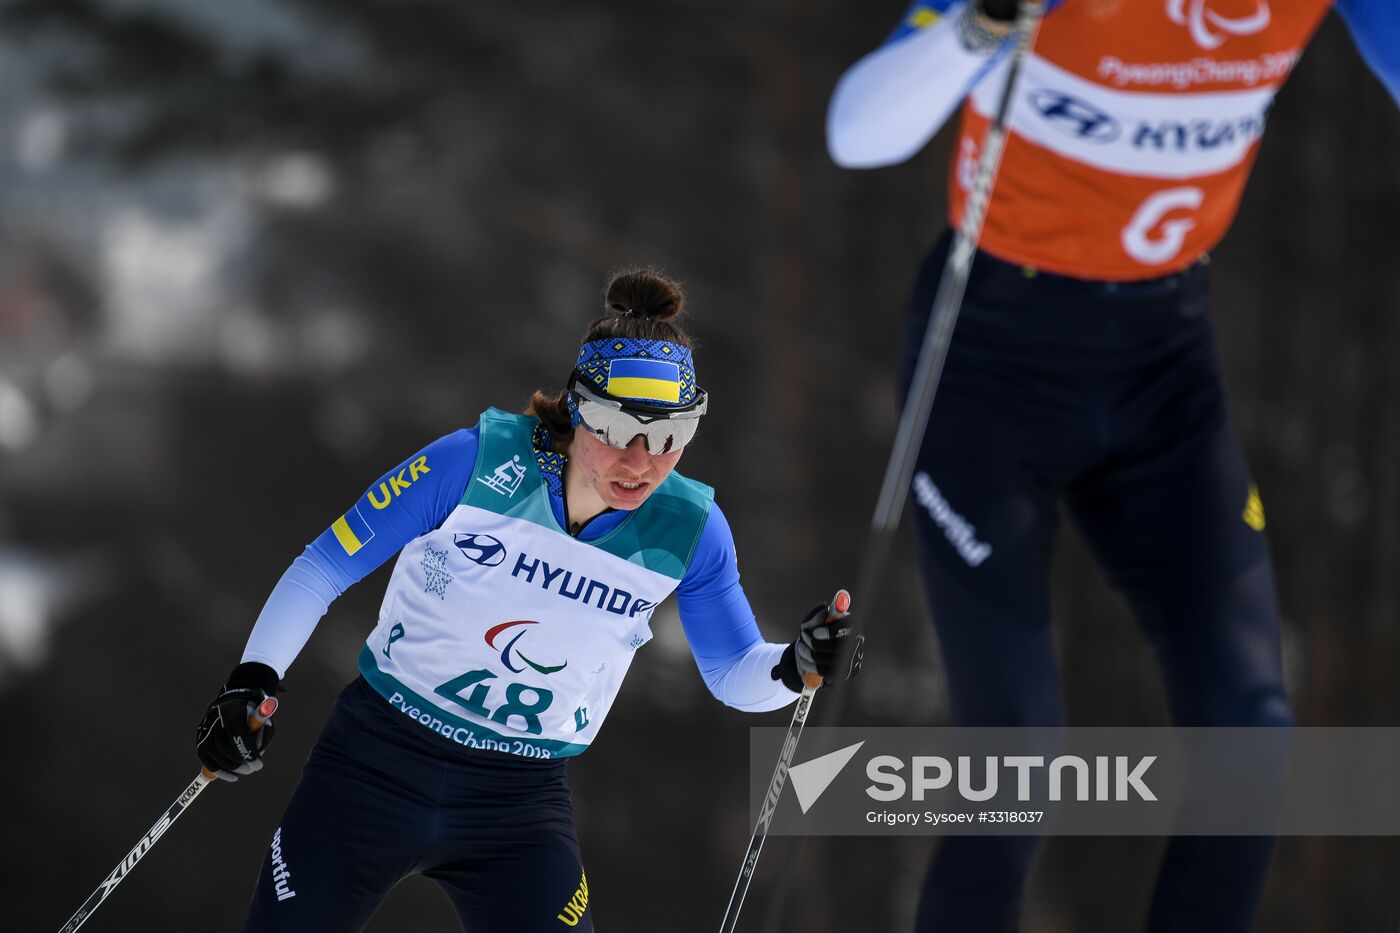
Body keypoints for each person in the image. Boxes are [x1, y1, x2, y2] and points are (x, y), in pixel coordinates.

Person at [827, 1, 1398, 931]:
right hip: (988, 357)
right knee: (1015, 761)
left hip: (1162, 361)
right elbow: (858, 134)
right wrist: (980, 29)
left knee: (1250, 733)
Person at [193, 268, 861, 933]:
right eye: (618, 428)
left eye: (669, 437)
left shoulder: (691, 531)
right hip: (376, 763)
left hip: (517, 805)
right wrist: (251, 682)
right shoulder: (474, 463)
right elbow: (323, 566)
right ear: (577, 409)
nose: (641, 461)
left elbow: (735, 672)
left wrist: (797, 663)